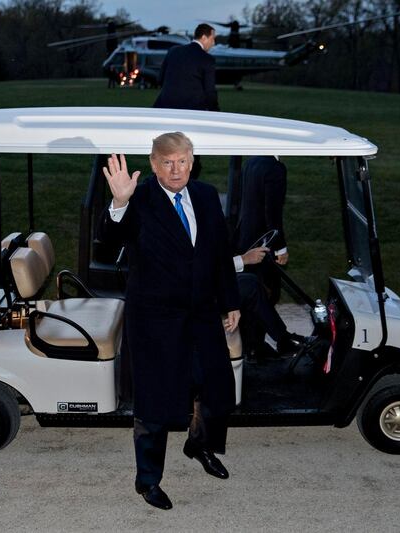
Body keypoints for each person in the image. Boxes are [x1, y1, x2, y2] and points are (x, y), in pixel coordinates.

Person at [100, 132, 240, 511]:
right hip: (155, 322)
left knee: (217, 390)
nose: (175, 169)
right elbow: (109, 240)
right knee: (155, 404)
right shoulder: (139, 198)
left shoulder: (208, 196)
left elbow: (219, 254)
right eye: (167, 162)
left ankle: (199, 444)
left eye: (181, 161)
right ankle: (147, 480)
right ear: (154, 164)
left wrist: (231, 301)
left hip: (202, 314)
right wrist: (118, 202)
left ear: (192, 162)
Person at [153, 23, 219, 180]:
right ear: (204, 37)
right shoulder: (207, 59)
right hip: (191, 115)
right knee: (190, 157)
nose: (214, 43)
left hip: (164, 111)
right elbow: (210, 93)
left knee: (165, 153)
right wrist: (217, 114)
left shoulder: (173, 52)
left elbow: (159, 79)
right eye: (213, 38)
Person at [233, 155, 289, 303]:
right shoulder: (275, 168)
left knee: (251, 292)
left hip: (246, 238)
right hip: (264, 243)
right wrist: (280, 247)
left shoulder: (250, 162)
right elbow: (273, 211)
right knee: (267, 296)